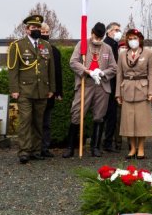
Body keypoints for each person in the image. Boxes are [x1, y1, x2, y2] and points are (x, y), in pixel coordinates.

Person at [7, 14, 56, 164]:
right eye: (33, 27)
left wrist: (52, 88)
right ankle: (24, 151)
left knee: (38, 121)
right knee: (25, 121)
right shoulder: (18, 45)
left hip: (42, 90)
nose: (36, 30)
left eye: (38, 27)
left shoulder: (46, 46)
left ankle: (36, 150)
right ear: (27, 29)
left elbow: (51, 69)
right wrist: (14, 89)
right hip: (25, 90)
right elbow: (13, 69)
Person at [65, 22, 117, 158]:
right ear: (92, 33)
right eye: (96, 37)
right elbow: (73, 62)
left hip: (101, 85)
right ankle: (70, 147)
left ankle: (95, 147)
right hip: (85, 83)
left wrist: (102, 73)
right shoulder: (82, 44)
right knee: (77, 112)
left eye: (100, 38)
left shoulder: (107, 48)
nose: (98, 40)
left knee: (99, 115)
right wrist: (86, 71)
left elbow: (114, 68)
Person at [116, 28, 152, 160]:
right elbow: (119, 74)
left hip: (142, 90)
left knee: (141, 121)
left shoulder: (148, 53)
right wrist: (118, 94)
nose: (133, 41)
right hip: (126, 90)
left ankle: (141, 148)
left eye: (135, 38)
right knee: (129, 122)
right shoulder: (122, 54)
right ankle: (132, 148)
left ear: (140, 40)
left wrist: (151, 92)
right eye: (130, 38)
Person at [40, 22, 63, 158]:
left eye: (46, 31)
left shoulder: (55, 51)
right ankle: (34, 148)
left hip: (50, 91)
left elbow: (57, 72)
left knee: (47, 123)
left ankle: (45, 148)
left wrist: (58, 91)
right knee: (35, 122)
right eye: (42, 31)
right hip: (36, 91)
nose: (44, 33)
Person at [101, 22, 122, 152]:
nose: (118, 32)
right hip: (106, 83)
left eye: (119, 30)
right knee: (104, 115)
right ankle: (102, 143)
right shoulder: (106, 45)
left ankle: (107, 143)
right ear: (109, 31)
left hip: (113, 84)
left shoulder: (115, 44)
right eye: (116, 30)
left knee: (112, 116)